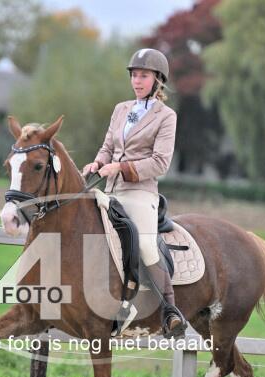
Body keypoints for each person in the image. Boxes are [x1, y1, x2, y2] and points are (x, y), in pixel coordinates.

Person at [82, 48, 186, 338]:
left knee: (146, 245)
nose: (137, 81)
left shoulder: (166, 116)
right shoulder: (121, 109)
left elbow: (160, 163)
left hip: (140, 192)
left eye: (143, 76)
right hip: (110, 190)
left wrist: (120, 167)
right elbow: (108, 146)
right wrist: (98, 163)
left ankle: (170, 310)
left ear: (158, 80)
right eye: (134, 75)